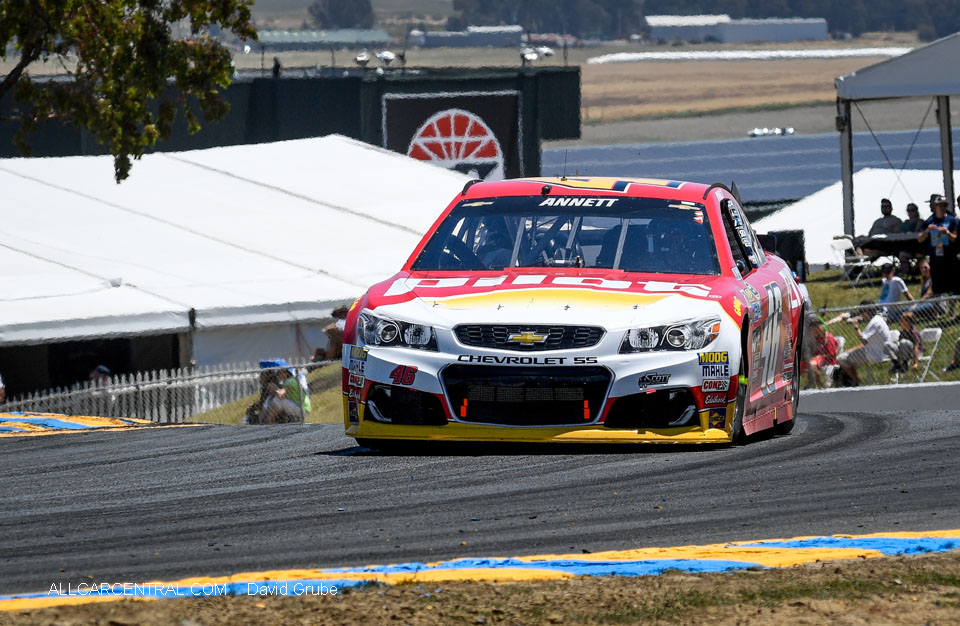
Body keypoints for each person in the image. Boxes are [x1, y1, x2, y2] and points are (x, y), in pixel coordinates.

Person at [837, 302, 892, 386]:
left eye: (862, 312)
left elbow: (864, 340)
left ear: (866, 312)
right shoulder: (878, 319)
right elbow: (869, 342)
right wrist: (854, 349)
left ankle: (856, 382)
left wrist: (856, 327)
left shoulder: (874, 322)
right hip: (881, 351)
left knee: (841, 358)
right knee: (849, 354)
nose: (861, 315)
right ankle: (850, 380)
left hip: (874, 355)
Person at [918, 195, 960, 295]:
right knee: (937, 288)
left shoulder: (952, 220)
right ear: (935, 206)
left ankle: (952, 309)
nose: (943, 207)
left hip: (950, 258)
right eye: (940, 205)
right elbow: (920, 239)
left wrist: (947, 232)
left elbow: (956, 239)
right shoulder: (929, 221)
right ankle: (937, 309)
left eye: (945, 205)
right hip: (935, 258)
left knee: (954, 288)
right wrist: (927, 231)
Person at [801, 319, 838, 388]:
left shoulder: (828, 338)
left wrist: (818, 357)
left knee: (811, 364)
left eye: (813, 330)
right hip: (816, 359)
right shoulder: (815, 338)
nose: (811, 332)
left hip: (827, 360)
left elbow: (832, 355)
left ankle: (818, 385)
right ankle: (810, 383)